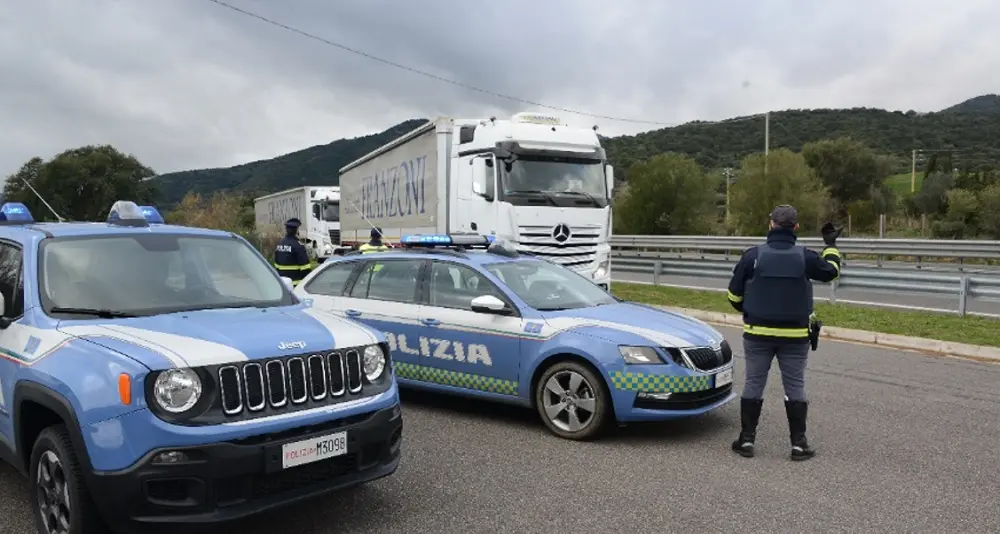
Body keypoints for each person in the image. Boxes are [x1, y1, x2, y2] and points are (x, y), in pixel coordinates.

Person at [726, 204, 842, 461]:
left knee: (754, 384)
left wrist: (751, 308)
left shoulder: (752, 256)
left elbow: (733, 295)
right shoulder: (806, 257)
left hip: (757, 334)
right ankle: (798, 445)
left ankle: (746, 441)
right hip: (795, 336)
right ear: (796, 228)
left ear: (771, 225)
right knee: (795, 386)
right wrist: (831, 245)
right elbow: (832, 272)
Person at [273, 218, 312, 286]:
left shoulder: (280, 244)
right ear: (296, 230)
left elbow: (276, 265)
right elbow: (305, 268)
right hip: (296, 285)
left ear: (286, 229)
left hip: (282, 284)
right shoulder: (298, 245)